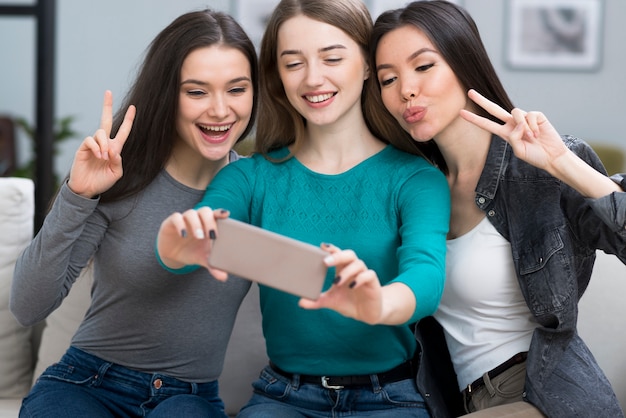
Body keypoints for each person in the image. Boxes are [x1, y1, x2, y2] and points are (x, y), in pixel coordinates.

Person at [156, 0, 451, 416]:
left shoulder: (415, 180)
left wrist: (379, 304)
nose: (313, 79)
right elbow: (193, 245)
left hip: (389, 397)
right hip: (283, 397)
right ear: (277, 76)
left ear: (368, 65)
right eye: (293, 64)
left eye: (332, 58)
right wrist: (176, 245)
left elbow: (426, 274)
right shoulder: (248, 179)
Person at [371, 1, 626, 417]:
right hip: (462, 401)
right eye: (388, 78)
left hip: (546, 397)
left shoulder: (540, 168)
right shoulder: (416, 189)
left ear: (464, 62)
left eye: (423, 67)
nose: (406, 90)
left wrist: (563, 164)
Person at [10, 9, 257, 417]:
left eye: (236, 89)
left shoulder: (259, 187)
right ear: (166, 95)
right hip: (88, 383)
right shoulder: (120, 178)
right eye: (196, 92)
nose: (219, 110)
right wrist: (78, 194)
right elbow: (26, 305)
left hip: (189, 399)